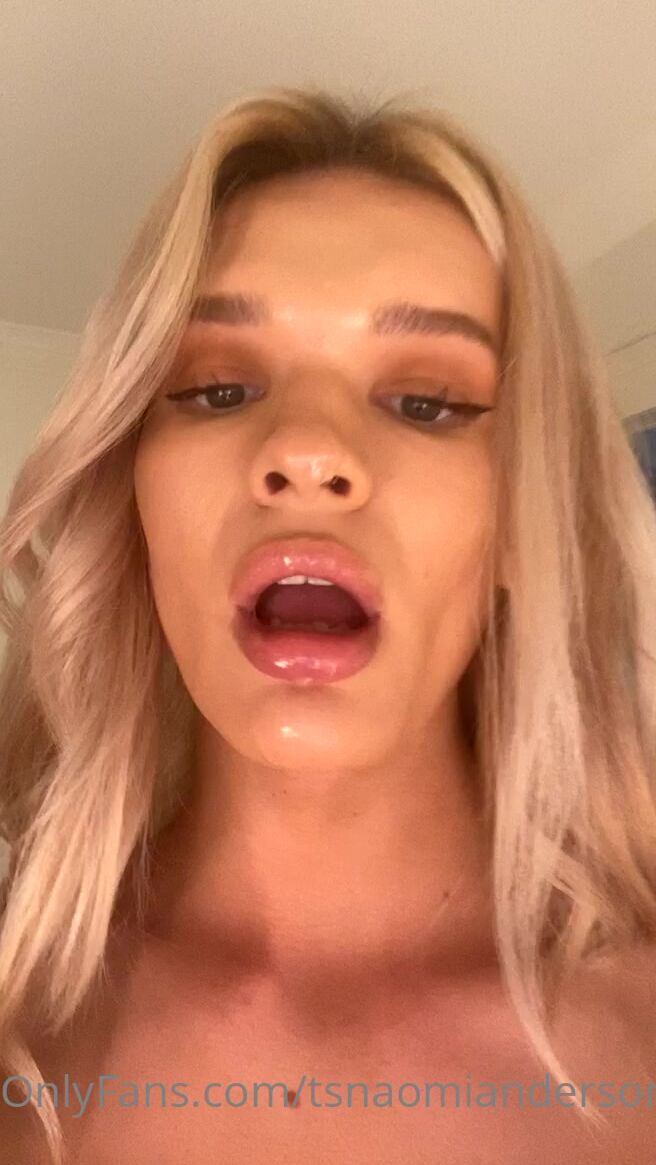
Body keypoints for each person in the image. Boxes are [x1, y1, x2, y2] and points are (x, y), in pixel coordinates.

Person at [1, 86, 656, 1164]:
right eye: (218, 388)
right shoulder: (20, 1017)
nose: (307, 450)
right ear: (132, 496)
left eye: (426, 402)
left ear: (521, 521)